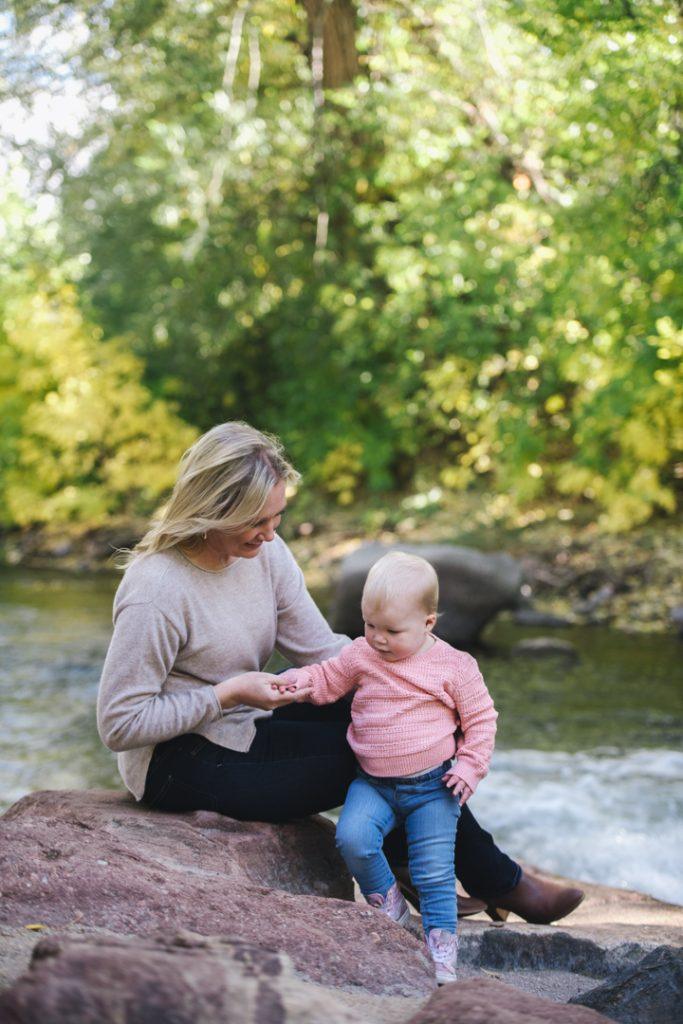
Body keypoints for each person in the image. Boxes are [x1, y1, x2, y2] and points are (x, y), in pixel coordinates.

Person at [97, 421, 584, 929]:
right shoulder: (157, 589)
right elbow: (119, 724)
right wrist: (227, 693)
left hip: (244, 722)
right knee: (376, 751)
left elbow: (324, 651)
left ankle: (430, 864)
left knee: (404, 719)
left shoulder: (266, 554)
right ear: (212, 510)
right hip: (178, 761)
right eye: (256, 521)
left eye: (277, 517)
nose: (270, 533)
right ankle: (501, 882)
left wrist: (422, 683)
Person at [273, 551, 497, 982]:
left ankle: (441, 947)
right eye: (369, 625)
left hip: (434, 788)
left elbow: (482, 720)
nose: (377, 638)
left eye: (392, 630)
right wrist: (300, 682)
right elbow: (328, 679)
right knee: (353, 838)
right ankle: (388, 901)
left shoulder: (454, 666)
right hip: (373, 783)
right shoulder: (362, 655)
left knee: (433, 872)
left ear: (429, 623)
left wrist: (470, 766)